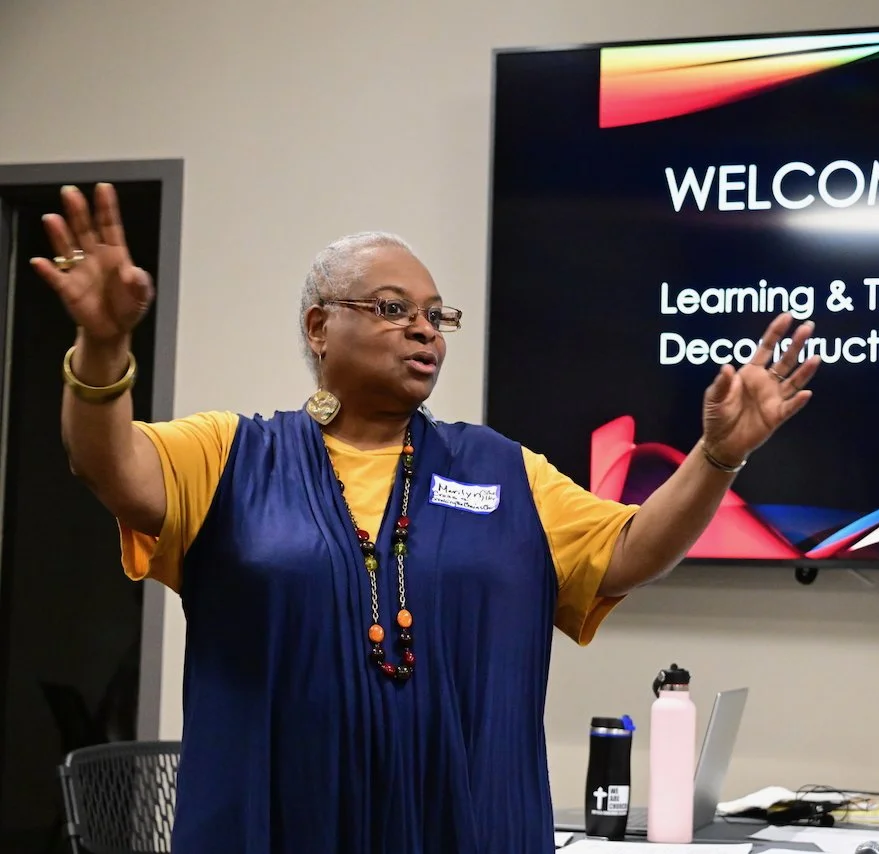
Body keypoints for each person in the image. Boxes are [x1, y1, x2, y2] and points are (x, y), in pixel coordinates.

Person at [32, 183, 821, 854]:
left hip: (469, 827)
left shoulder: (502, 471)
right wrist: (102, 349)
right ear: (319, 327)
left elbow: (630, 550)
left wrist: (718, 457)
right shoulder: (232, 455)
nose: (422, 329)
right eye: (392, 308)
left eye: (436, 316)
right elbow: (108, 463)